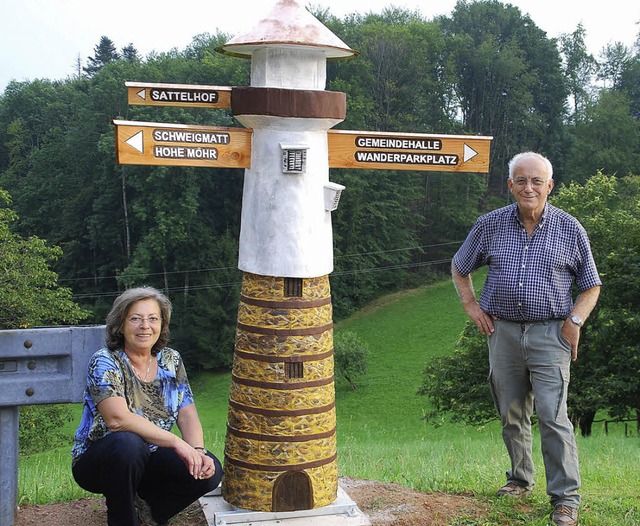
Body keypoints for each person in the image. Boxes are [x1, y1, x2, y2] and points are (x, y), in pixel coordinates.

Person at [451, 152, 601, 526]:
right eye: (521, 180)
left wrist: (575, 322)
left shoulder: (570, 229)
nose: (528, 187)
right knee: (511, 413)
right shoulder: (490, 225)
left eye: (537, 181)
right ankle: (519, 480)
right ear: (510, 186)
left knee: (553, 416)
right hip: (501, 332)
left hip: (552, 334)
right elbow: (459, 265)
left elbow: (591, 286)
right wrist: (471, 304)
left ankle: (565, 499)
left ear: (549, 186)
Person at [71, 286, 222, 526]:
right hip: (102, 460)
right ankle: (123, 519)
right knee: (128, 443)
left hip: (150, 458)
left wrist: (197, 451)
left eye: (153, 318)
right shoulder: (105, 361)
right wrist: (176, 442)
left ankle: (150, 511)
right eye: (135, 319)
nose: (145, 326)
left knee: (207, 469)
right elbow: (117, 420)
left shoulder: (171, 360)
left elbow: (187, 414)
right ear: (120, 324)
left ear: (162, 324)